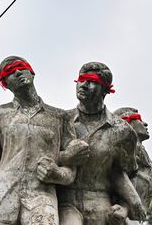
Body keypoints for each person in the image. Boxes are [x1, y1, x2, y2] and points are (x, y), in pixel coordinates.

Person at [0, 56, 76, 225]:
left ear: (32, 73)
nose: (17, 72)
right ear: (5, 84)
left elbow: (72, 166)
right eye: (9, 72)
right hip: (3, 197)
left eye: (20, 67)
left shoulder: (60, 117)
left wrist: (57, 174)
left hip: (42, 198)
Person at [57, 62, 142, 225]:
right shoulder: (61, 120)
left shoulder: (123, 131)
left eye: (91, 81)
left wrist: (125, 207)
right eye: (81, 79)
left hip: (100, 202)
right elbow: (45, 158)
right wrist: (66, 157)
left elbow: (128, 173)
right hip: (65, 200)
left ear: (105, 89)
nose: (83, 85)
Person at [114, 108, 152, 225]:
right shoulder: (131, 146)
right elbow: (124, 175)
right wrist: (127, 206)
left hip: (133, 212)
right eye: (139, 119)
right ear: (127, 124)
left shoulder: (138, 147)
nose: (145, 123)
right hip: (126, 209)